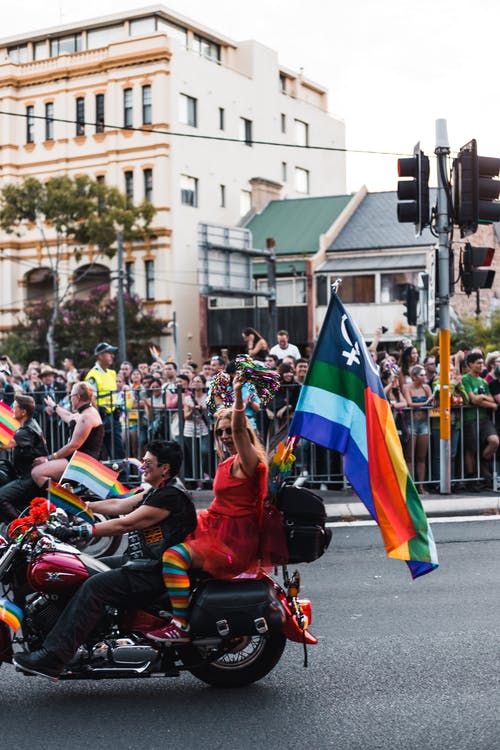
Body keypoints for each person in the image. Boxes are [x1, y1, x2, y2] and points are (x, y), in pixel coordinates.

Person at [13, 440, 198, 680]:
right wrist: (77, 507)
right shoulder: (156, 490)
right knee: (83, 567)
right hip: (141, 562)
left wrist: (82, 531)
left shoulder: (170, 496)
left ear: (165, 468)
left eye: (148, 462)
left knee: (94, 586)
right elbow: (118, 504)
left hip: (153, 572)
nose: (142, 466)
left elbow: (126, 522)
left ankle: (53, 657)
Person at [147, 375, 269, 642]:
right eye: (220, 432)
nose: (225, 436)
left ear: (245, 433)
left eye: (229, 431)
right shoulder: (229, 461)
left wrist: (237, 397)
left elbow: (238, 430)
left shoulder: (247, 462)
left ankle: (180, 626)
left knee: (173, 557)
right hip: (213, 526)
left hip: (231, 540)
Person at [31, 381, 104, 488]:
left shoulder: (86, 416)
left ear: (78, 397)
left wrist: (49, 458)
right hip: (77, 458)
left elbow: (74, 445)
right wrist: (54, 406)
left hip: (83, 462)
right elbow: (69, 417)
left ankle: (64, 499)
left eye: (71, 395)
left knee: (37, 472)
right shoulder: (85, 412)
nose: (70, 398)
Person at [0, 395, 48, 522]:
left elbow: (6, 444)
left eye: (14, 407)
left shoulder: (27, 430)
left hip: (29, 478)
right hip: (25, 474)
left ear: (23, 412)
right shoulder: (28, 425)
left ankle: (25, 526)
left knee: (1, 497)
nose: (11, 410)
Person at [461, 351, 498, 486]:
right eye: (478, 363)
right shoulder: (465, 379)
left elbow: (493, 402)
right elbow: (473, 399)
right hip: (470, 418)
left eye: (482, 363)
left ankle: (482, 466)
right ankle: (472, 479)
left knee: (494, 441)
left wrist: (481, 398)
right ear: (470, 364)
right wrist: (483, 399)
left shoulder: (483, 381)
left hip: (483, 418)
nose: (482, 365)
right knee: (471, 449)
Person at [85, 342, 124, 459]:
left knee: (118, 450)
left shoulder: (112, 373)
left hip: (113, 416)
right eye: (109, 353)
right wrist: (98, 419)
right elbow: (92, 398)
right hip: (101, 417)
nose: (112, 356)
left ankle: (121, 477)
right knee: (99, 451)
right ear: (100, 355)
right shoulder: (93, 375)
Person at [402, 364, 433, 493]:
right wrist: (425, 403)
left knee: (421, 457)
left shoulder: (426, 387)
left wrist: (431, 401)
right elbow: (410, 403)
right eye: (421, 375)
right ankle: (411, 486)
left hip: (424, 423)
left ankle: (420, 486)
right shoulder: (407, 387)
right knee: (409, 456)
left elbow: (432, 401)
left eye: (425, 374)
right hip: (411, 423)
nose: (424, 377)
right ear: (414, 377)